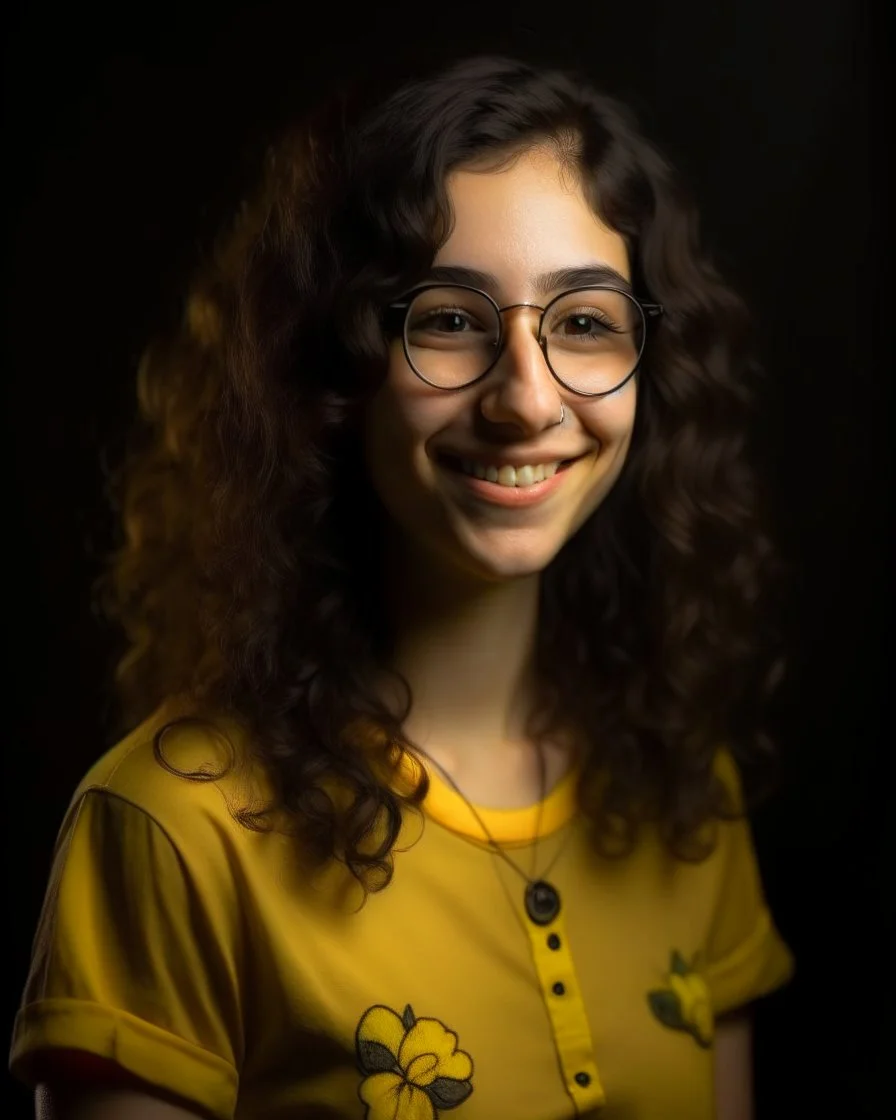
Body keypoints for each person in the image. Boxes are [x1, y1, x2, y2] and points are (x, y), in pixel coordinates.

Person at [10, 53, 794, 1120]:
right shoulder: (169, 829)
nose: (526, 399)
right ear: (337, 372)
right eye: (449, 320)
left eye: (582, 322)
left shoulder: (681, 790)